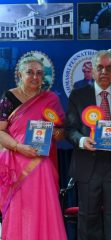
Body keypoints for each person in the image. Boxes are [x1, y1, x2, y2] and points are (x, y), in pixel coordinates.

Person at [65, 50, 111, 240]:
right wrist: (82, 141)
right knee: (87, 218)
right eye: (100, 67)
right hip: (88, 165)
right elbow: (70, 129)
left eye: (109, 67)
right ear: (93, 70)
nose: (104, 71)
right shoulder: (78, 95)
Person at [0, 56, 66, 240]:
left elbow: (62, 132)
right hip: (16, 165)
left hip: (42, 165)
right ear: (20, 74)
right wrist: (19, 147)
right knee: (20, 210)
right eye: (29, 72)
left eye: (39, 73)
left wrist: (55, 133)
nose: (34, 77)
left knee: (42, 207)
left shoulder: (50, 99)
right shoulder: (9, 97)